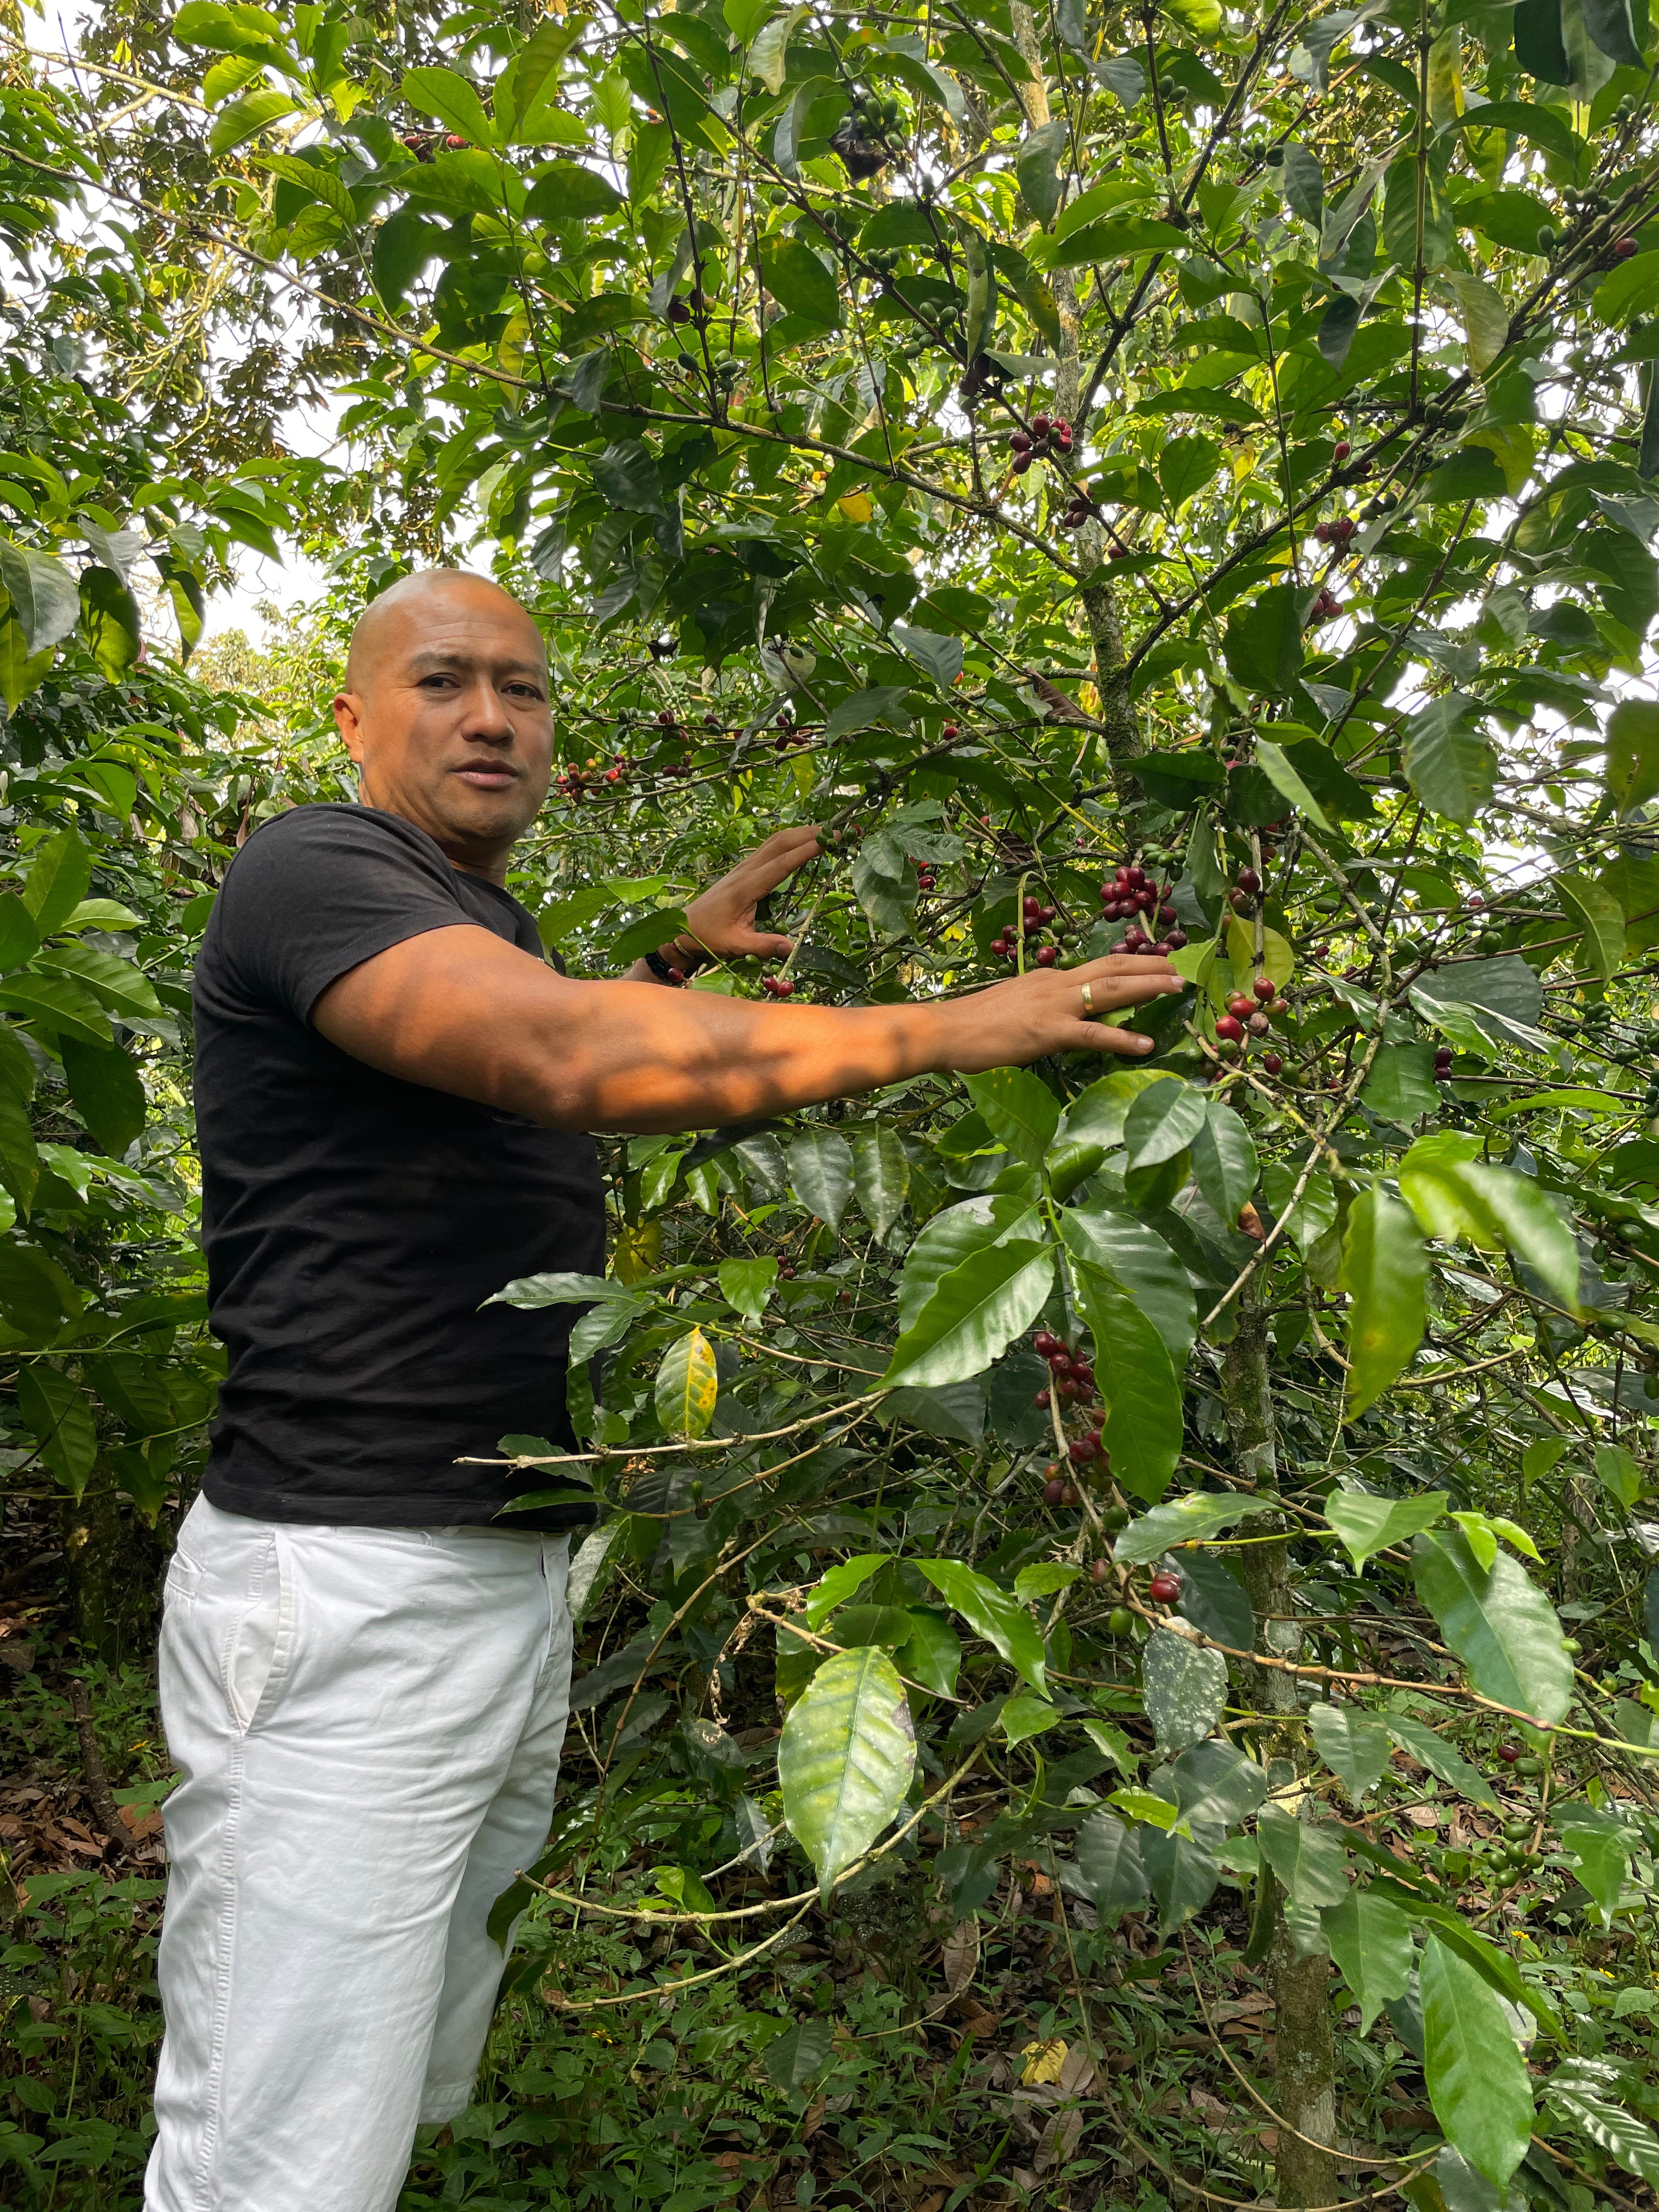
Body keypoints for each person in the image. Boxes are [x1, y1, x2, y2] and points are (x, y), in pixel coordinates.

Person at [147, 568, 1180, 2212]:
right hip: (349, 1587)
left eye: (525, 688)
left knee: (385, 2086)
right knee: (275, 2150)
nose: (490, 714)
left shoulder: (472, 923)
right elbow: (561, 1061)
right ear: (351, 717)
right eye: (441, 681)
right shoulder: (310, 868)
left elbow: (523, 1069)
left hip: (492, 1566)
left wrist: (670, 959)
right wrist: (951, 1027)